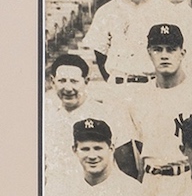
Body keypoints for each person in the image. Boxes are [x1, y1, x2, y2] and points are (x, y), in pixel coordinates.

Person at [126, 23, 192, 184]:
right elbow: (137, 149)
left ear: (182, 53)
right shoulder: (138, 98)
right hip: (152, 180)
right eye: (158, 49)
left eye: (171, 49)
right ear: (149, 53)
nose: (164, 55)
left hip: (188, 178)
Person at [81, 0, 179, 99]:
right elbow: (100, 56)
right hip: (119, 87)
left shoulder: (167, 10)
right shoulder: (107, 11)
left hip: (154, 88)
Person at [42, 52, 134, 185]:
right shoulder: (47, 116)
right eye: (62, 81)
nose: (68, 88)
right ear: (52, 81)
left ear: (86, 81)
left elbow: (127, 166)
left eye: (74, 81)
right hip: (58, 195)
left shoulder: (108, 114)